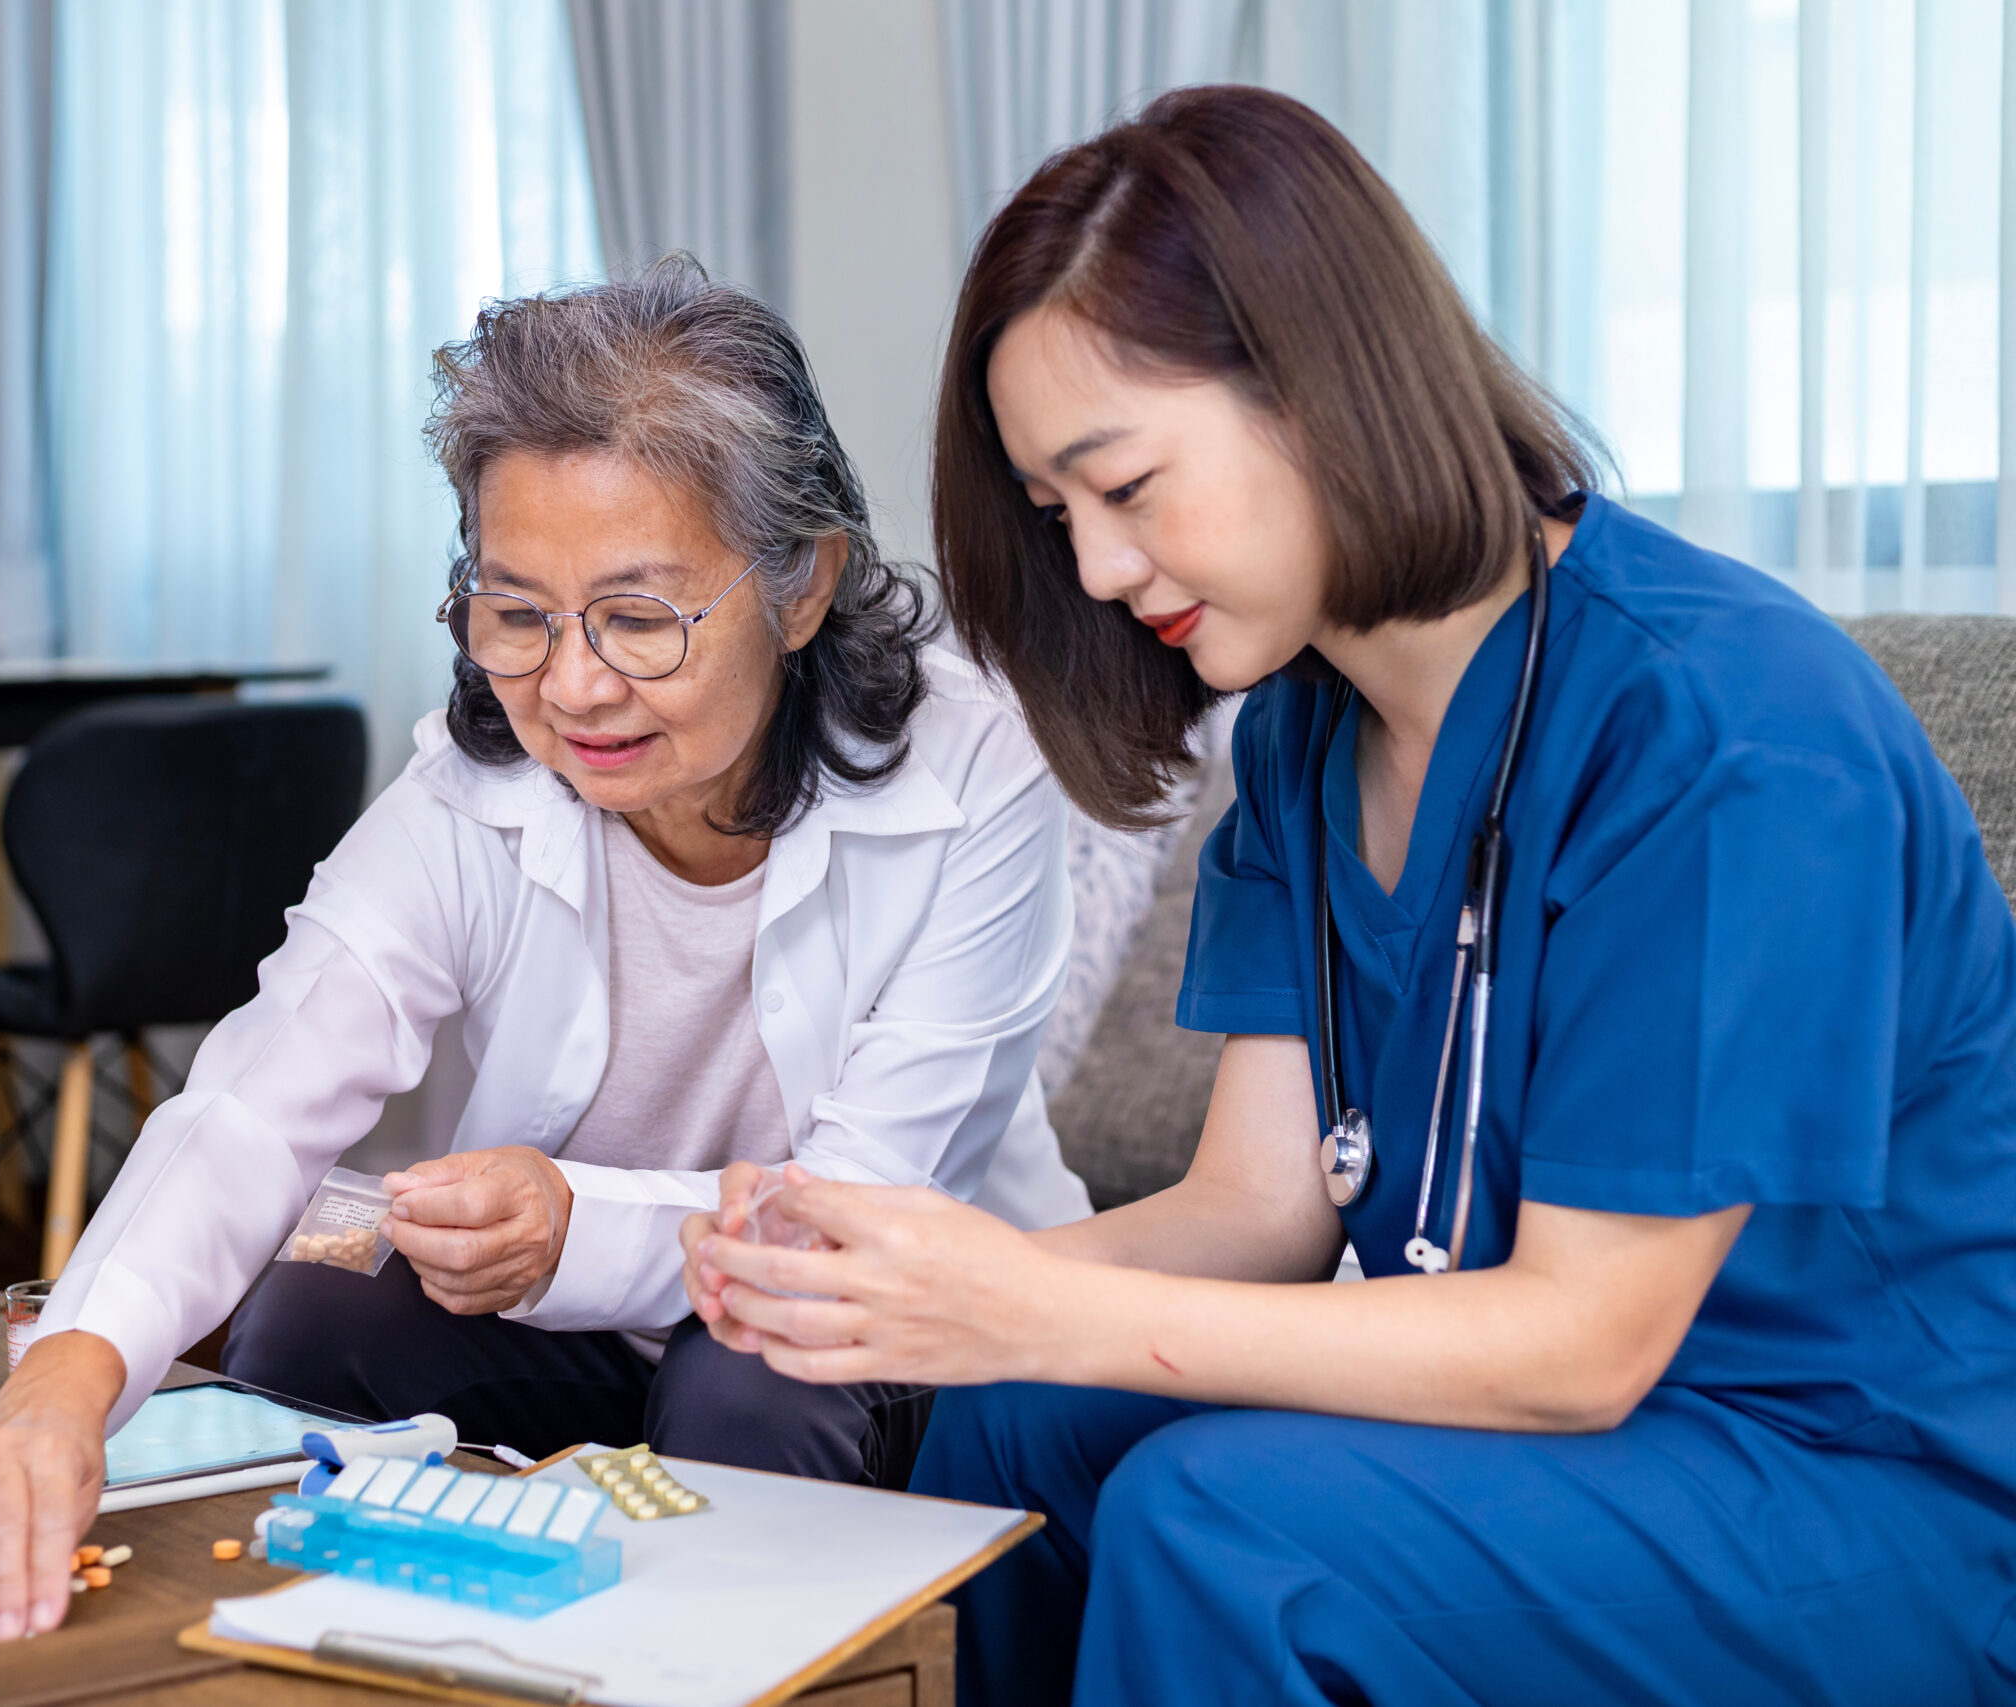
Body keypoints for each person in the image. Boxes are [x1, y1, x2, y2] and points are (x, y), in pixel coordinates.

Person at [681, 87, 2016, 1704]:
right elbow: (1259, 1210)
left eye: (1129, 487)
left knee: (1227, 1521)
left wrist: (1027, 1298)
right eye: (1056, 517)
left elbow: (1582, 1345)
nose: (1098, 571)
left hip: (1857, 1486)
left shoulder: (1729, 730)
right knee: (1018, 1417)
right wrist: (897, 1271)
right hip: (1598, 1452)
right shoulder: (1311, 727)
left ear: (1319, 389)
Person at [0, 258, 1091, 1644]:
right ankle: (399, 1654)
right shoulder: (469, 793)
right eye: (517, 613)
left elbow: (852, 1222)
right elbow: (257, 1094)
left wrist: (571, 1226)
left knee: (750, 1372)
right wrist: (65, 1374)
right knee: (309, 1317)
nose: (575, 684)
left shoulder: (977, 779)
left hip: (889, 1331)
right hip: (602, 1330)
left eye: (640, 617)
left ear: (801, 588)